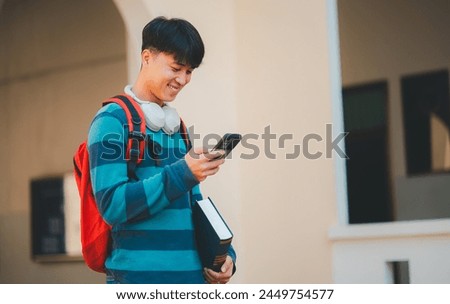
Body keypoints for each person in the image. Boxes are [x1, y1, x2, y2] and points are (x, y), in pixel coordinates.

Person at [87, 16, 236, 284]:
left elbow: (194, 205)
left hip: (191, 281)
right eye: (176, 68)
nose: (183, 79)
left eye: (189, 71)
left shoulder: (176, 127)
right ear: (147, 57)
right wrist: (183, 172)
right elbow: (112, 206)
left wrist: (224, 255)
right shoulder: (111, 120)